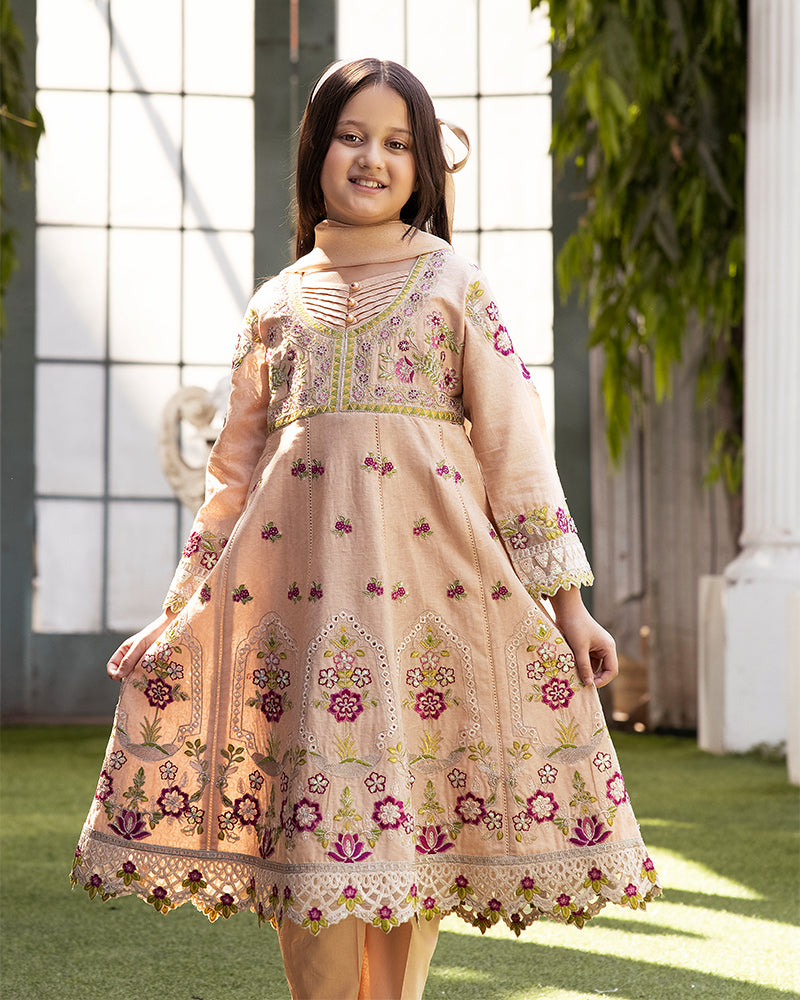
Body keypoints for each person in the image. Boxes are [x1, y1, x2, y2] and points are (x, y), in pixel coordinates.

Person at [72, 58, 661, 1000]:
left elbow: (515, 452)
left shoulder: (454, 285)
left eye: (395, 143)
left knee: (409, 827)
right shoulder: (275, 303)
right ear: (317, 153)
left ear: (423, 165)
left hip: (430, 608)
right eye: (351, 136)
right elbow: (231, 482)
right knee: (307, 830)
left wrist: (570, 608)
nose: (371, 159)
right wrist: (175, 614)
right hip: (302, 617)